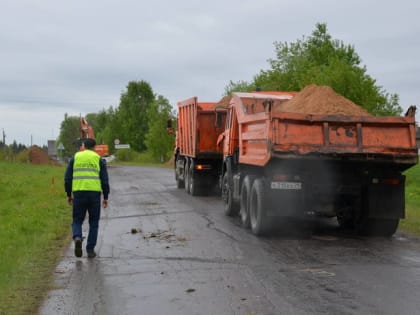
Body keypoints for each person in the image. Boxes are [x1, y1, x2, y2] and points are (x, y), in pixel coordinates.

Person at [64, 138, 110, 258]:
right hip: (94, 194)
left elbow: (67, 178)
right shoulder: (98, 159)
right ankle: (90, 250)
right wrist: (105, 196)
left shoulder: (76, 157)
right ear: (94, 147)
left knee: (77, 220)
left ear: (83, 146)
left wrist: (69, 194)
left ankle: (78, 237)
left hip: (79, 193)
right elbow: (105, 180)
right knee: (94, 222)